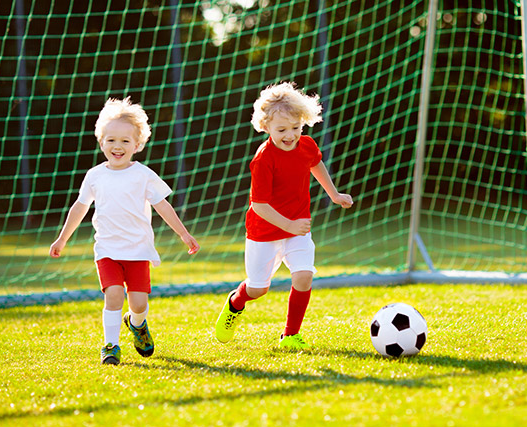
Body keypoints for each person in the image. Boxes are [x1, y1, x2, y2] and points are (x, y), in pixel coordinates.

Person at [50, 97, 200, 365]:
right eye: (111, 140)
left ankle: (136, 323)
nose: (117, 146)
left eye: (125, 141)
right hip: (107, 249)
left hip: (138, 250)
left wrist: (183, 234)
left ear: (137, 145)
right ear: (101, 142)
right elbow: (79, 208)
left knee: (139, 303)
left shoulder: (143, 175)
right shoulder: (95, 176)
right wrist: (62, 238)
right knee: (114, 294)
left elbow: (163, 207)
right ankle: (110, 346)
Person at [215, 82, 353, 350]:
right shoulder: (263, 159)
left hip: (298, 231)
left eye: (295, 128)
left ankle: (290, 335)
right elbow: (259, 206)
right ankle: (235, 302)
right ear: (265, 127)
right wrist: (289, 224)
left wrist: (334, 194)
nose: (290, 135)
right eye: (282, 130)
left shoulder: (306, 145)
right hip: (263, 233)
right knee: (258, 289)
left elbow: (316, 163)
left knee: (303, 276)